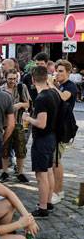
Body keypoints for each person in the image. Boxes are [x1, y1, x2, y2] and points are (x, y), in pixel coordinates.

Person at [22, 65, 60, 218]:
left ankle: (43, 207)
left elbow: (41, 123)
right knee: (48, 171)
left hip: (43, 139)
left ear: (32, 79)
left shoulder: (42, 98)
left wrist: (28, 118)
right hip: (51, 138)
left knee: (41, 175)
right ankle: (48, 202)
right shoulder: (53, 93)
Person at [52, 59, 78, 204]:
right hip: (57, 126)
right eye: (57, 70)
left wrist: (51, 85)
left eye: (61, 71)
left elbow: (63, 97)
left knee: (56, 161)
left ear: (68, 72)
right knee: (54, 160)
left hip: (64, 128)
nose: (57, 73)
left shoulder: (70, 86)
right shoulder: (60, 85)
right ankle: (55, 190)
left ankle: (59, 191)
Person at [0, 68, 31, 183]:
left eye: (14, 78)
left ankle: (20, 172)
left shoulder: (22, 87)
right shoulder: (1, 89)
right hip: (5, 124)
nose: (12, 81)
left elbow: (28, 103)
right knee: (5, 148)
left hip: (18, 123)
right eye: (10, 79)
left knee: (20, 149)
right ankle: (4, 172)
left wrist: (20, 104)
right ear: (5, 78)